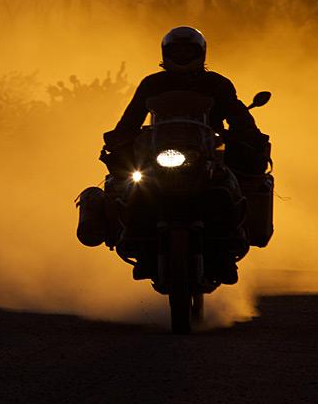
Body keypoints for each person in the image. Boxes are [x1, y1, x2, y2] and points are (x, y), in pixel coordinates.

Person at [104, 26, 266, 285]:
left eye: (186, 50)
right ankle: (139, 243)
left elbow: (237, 114)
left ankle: (226, 250)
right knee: (136, 187)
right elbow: (132, 117)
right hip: (158, 152)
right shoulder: (153, 84)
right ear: (166, 53)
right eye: (176, 50)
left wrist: (249, 134)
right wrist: (118, 137)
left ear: (200, 53)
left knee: (226, 189)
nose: (181, 55)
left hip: (207, 154)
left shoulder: (217, 84)